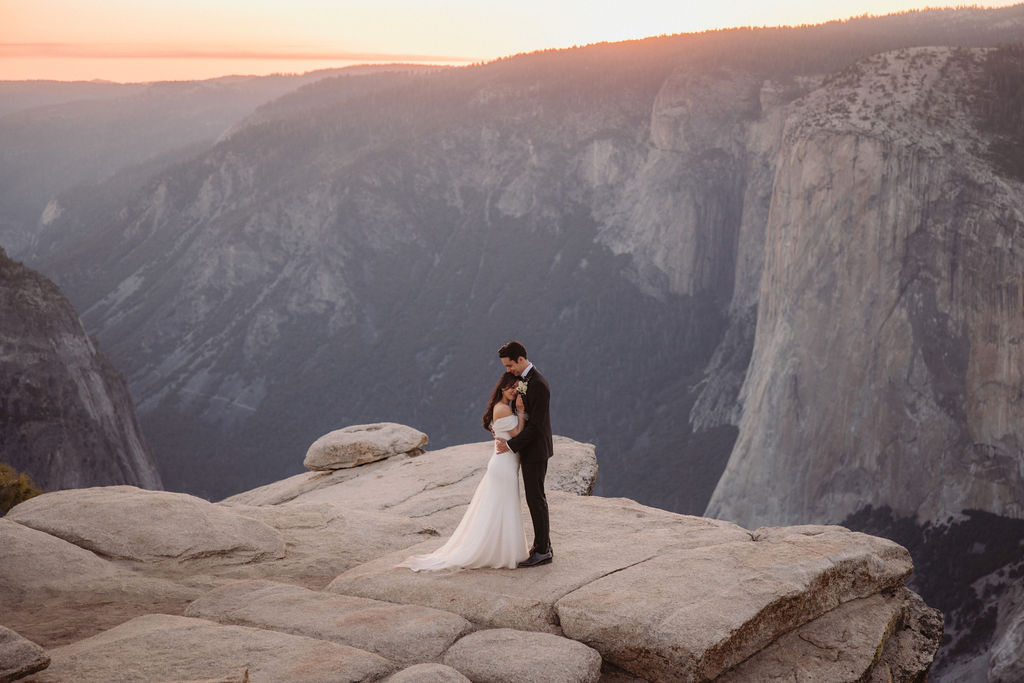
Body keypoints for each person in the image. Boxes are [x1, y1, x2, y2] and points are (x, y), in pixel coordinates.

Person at [398, 372, 530, 571]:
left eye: (517, 388)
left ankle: (501, 549)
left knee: (500, 508)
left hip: (504, 463)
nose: (514, 391)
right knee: (504, 506)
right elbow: (519, 435)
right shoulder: (503, 409)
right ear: (502, 387)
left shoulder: (502, 408)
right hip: (503, 466)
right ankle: (502, 551)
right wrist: (521, 411)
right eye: (511, 387)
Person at [495, 340, 553, 568]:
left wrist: (511, 445)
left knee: (536, 499)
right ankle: (543, 544)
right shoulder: (526, 380)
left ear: (520, 359)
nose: (508, 371)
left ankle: (543, 550)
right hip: (531, 449)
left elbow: (536, 426)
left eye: (509, 366)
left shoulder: (537, 384)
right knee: (535, 498)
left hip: (536, 450)